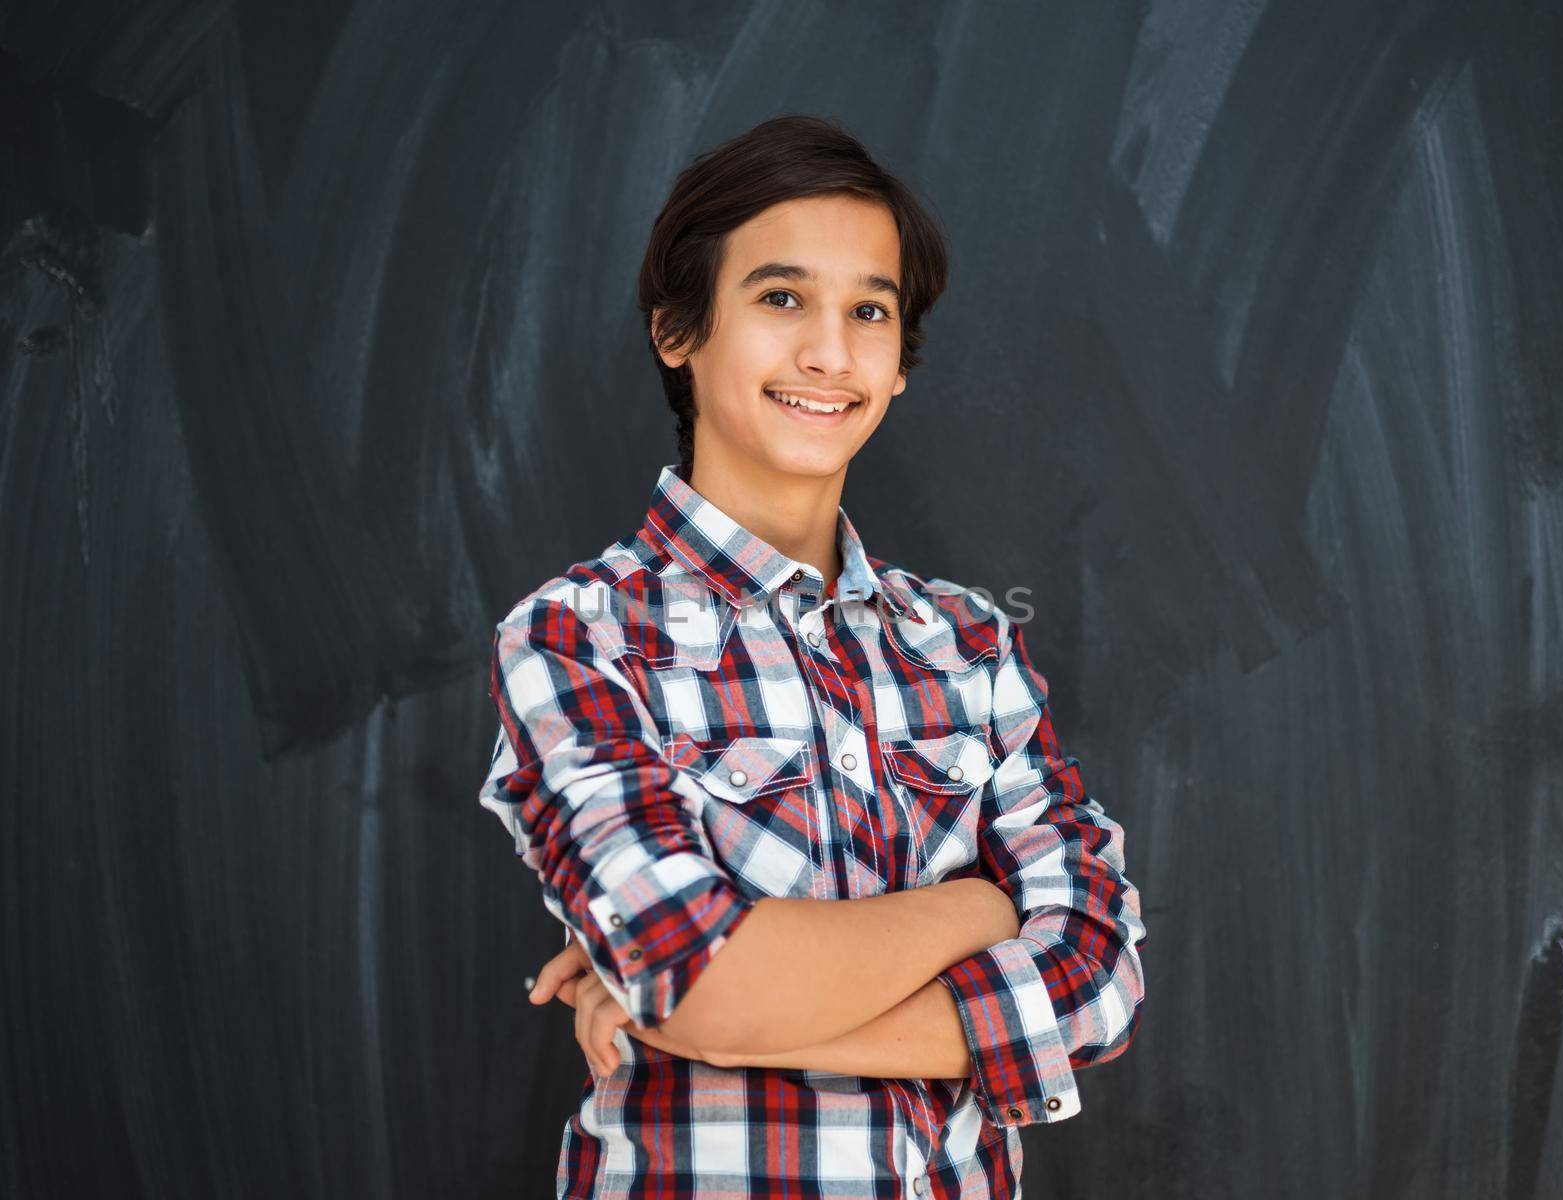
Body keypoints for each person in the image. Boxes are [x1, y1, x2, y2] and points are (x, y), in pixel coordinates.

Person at [478, 113, 1147, 1200]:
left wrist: (721, 1025)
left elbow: (1098, 986)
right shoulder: (579, 636)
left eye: (868, 311)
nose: (829, 353)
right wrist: (979, 910)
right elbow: (704, 985)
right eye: (781, 297)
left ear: (897, 367)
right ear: (677, 332)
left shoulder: (969, 645)